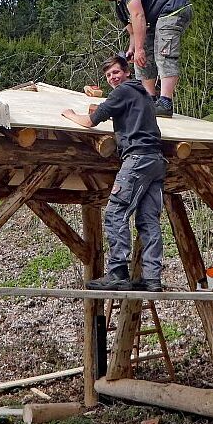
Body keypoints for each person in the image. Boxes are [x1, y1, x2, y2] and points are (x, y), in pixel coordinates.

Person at [61, 55, 166, 292]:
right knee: (148, 221)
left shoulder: (122, 92)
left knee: (115, 213)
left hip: (137, 159)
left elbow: (90, 122)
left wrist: (69, 114)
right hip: (156, 160)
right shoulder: (145, 95)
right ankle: (152, 279)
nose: (112, 78)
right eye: (108, 75)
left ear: (127, 72)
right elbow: (115, 111)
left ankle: (118, 271)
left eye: (116, 73)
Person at [92, 0, 193, 118]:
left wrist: (139, 49)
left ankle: (165, 102)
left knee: (163, 51)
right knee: (143, 54)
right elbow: (133, 32)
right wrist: (132, 50)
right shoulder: (120, 9)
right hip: (156, 20)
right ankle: (150, 100)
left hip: (174, 8)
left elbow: (138, 15)